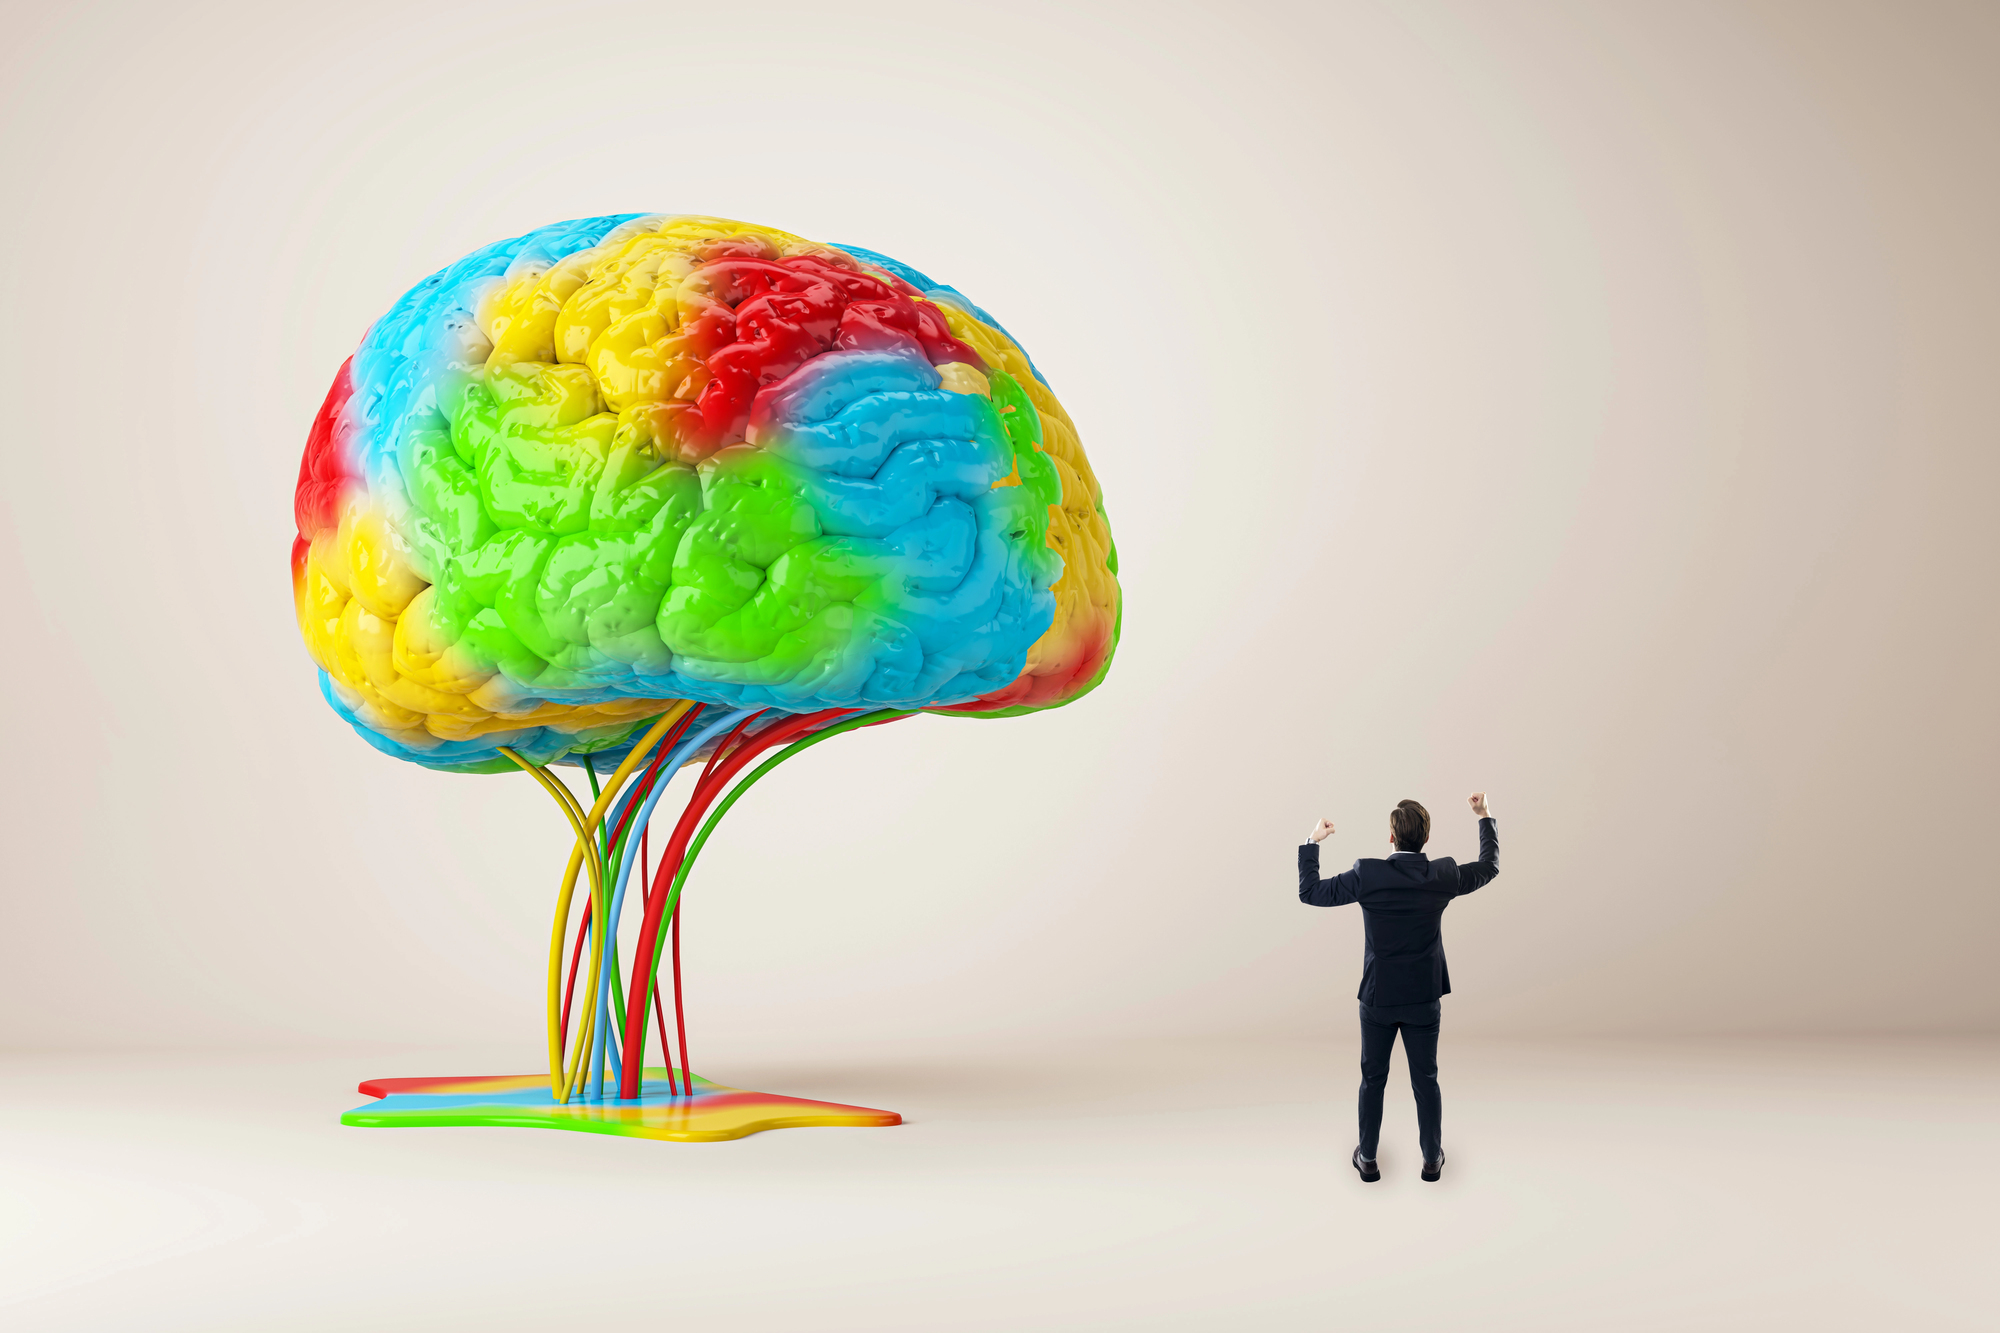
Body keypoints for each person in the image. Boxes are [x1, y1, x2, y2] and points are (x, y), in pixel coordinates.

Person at [1299, 793, 1499, 1183]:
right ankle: (1431, 1160)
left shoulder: (1368, 874)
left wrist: (1312, 842)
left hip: (1378, 999)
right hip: (1424, 998)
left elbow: (1311, 892)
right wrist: (1484, 815)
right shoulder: (1442, 874)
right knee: (1426, 1079)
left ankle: (1368, 1160)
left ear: (1392, 837)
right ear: (1426, 838)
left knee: (1373, 1079)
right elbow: (1489, 866)